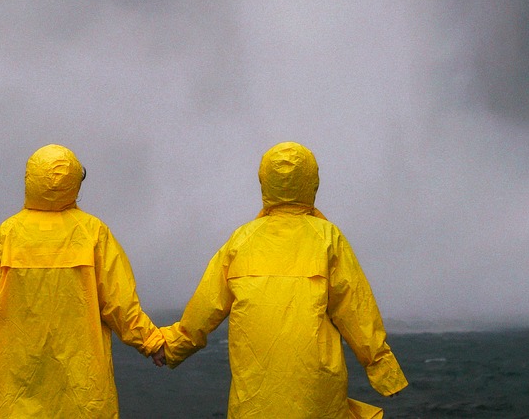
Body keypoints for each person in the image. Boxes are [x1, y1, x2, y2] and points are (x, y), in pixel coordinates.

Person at [156, 142, 407, 419]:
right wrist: (384, 371)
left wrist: (171, 347)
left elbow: (205, 308)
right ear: (312, 182)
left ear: (264, 182)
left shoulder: (241, 240)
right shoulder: (328, 238)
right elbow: (357, 310)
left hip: (255, 393)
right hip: (315, 388)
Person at [0, 143, 166, 417]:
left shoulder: (9, 233)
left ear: (30, 179)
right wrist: (152, 342)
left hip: (16, 383)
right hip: (81, 386)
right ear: (75, 181)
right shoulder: (92, 232)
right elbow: (119, 302)